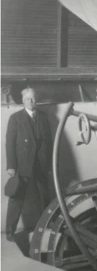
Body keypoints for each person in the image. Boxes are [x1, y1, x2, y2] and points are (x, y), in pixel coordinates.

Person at [5, 87, 53, 241]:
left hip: (41, 164)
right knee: (17, 198)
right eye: (27, 99)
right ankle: (10, 231)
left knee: (44, 197)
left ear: (36, 99)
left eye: (33, 98)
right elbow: (9, 143)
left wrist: (50, 165)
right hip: (23, 165)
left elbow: (49, 143)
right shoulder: (15, 118)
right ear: (23, 101)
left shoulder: (44, 117)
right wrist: (11, 166)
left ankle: (45, 227)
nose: (31, 102)